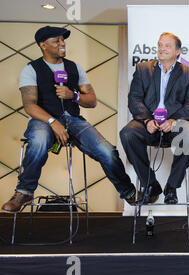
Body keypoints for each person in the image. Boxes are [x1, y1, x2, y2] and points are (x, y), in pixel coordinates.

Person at [2, 26, 136, 213]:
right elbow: (30, 105)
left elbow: (92, 101)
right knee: (39, 141)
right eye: (56, 41)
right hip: (44, 120)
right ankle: (24, 192)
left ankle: (129, 192)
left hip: (73, 120)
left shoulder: (74, 68)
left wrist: (72, 95)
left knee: (106, 150)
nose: (62, 43)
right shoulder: (31, 69)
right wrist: (53, 122)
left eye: (63, 40)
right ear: (43, 45)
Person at [120, 32, 189, 205]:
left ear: (178, 51)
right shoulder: (143, 69)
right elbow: (134, 99)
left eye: (167, 45)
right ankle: (150, 185)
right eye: (160, 45)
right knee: (127, 134)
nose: (162, 48)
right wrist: (147, 120)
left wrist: (173, 121)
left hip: (176, 124)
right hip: (149, 123)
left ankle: (171, 187)